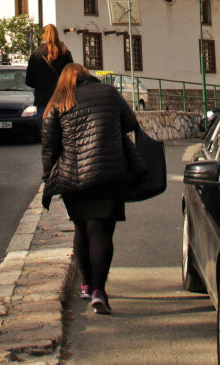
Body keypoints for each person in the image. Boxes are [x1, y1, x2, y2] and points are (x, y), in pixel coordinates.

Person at [41, 63, 138, 316]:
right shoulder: (109, 93)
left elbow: (49, 144)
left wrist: (49, 177)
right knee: (102, 232)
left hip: (73, 177)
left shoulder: (60, 99)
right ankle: (99, 291)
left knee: (82, 228)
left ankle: (85, 284)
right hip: (108, 174)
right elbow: (130, 123)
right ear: (87, 75)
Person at [26, 24, 74, 120]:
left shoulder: (36, 55)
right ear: (57, 35)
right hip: (62, 99)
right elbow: (72, 76)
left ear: (43, 35)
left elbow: (29, 81)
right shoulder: (65, 53)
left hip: (43, 100)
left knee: (45, 131)